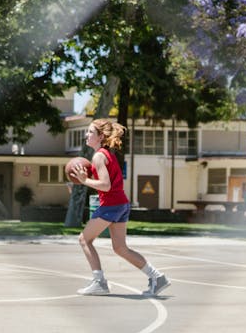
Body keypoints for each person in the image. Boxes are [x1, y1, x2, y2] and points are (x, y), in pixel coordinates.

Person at [69, 119, 170, 297]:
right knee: (120, 248)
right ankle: (157, 277)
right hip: (121, 204)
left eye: (90, 132)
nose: (86, 135)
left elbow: (105, 185)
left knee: (84, 240)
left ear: (101, 136)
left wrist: (85, 181)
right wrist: (85, 180)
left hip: (111, 205)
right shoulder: (107, 154)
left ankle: (99, 282)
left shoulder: (99, 156)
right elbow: (106, 183)